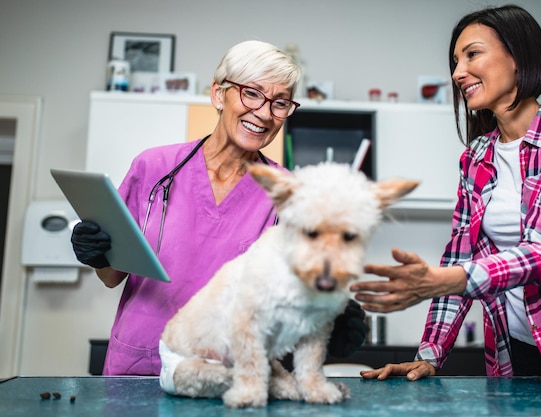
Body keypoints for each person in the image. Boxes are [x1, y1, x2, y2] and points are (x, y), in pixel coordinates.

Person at [351, 5, 541, 384]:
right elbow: (461, 253)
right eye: (455, 60)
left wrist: (444, 279)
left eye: (472, 54)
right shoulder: (476, 156)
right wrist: (429, 355)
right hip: (516, 353)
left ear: (518, 58)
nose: (457, 73)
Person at [71, 40, 368, 375]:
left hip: (225, 372)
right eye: (251, 93)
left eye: (280, 103)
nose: (265, 113)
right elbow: (112, 276)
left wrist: (328, 319)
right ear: (218, 94)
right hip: (139, 363)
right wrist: (97, 253)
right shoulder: (154, 167)